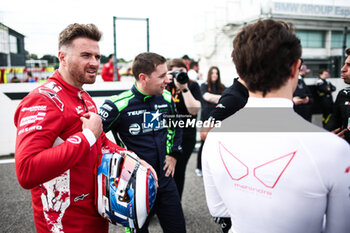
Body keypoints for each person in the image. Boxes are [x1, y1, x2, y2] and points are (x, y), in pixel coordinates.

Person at [202, 19, 350, 233]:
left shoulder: (215, 138)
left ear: (240, 69)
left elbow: (218, 208)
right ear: (295, 68)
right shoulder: (334, 150)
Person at [14, 23, 156, 233]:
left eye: (97, 57)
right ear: (62, 57)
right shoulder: (42, 100)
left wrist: (133, 158)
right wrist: (87, 135)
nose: (94, 63)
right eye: (86, 55)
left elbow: (100, 142)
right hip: (63, 224)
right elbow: (26, 171)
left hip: (94, 217)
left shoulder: (82, 95)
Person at [99, 52, 186, 233]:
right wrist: (113, 166)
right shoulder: (117, 105)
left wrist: (173, 154)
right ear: (143, 77)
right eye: (162, 76)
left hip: (165, 179)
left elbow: (176, 127)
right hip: (133, 184)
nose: (167, 80)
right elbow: (93, 138)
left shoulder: (167, 98)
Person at [166, 58, 201, 200]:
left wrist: (184, 88)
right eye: (175, 72)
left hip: (186, 135)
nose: (179, 74)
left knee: (179, 170)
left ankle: (175, 204)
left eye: (181, 71)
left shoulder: (192, 86)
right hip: (166, 134)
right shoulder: (165, 85)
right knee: (163, 171)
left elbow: (194, 110)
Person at [196, 66, 225, 176]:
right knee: (204, 144)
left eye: (216, 73)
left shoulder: (222, 87)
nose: (214, 75)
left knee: (217, 145)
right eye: (212, 73)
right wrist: (222, 98)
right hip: (206, 119)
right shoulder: (204, 86)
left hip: (218, 120)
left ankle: (214, 169)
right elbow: (207, 97)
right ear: (209, 74)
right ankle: (199, 167)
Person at [325, 48, 350, 144]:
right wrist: (328, 137)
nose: (343, 69)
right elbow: (333, 124)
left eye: (349, 65)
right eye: (345, 64)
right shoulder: (343, 94)